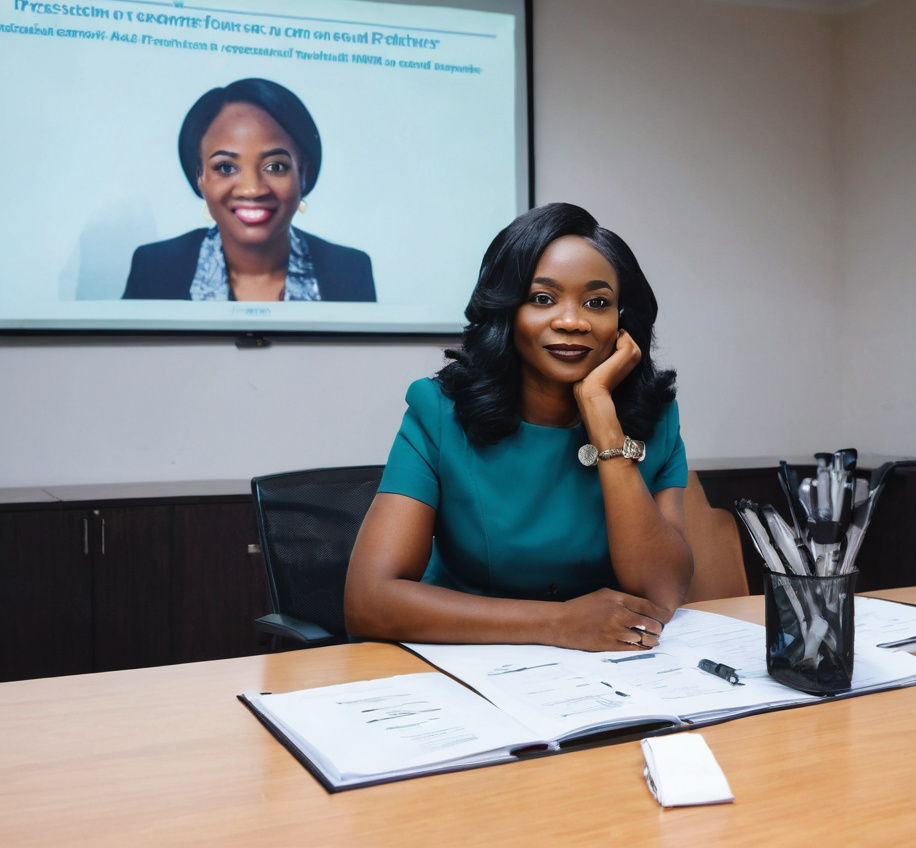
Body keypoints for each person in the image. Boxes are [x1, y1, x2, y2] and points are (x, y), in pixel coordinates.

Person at [345, 202, 693, 651]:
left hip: (605, 671)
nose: (572, 321)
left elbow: (662, 593)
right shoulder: (438, 411)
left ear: (622, 322)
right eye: (542, 299)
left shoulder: (655, 418)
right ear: (507, 311)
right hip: (467, 660)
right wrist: (559, 624)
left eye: (598, 302)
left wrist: (601, 416)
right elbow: (368, 600)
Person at [122, 78, 375, 301]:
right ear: (199, 177)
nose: (252, 189)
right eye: (225, 168)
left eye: (275, 167)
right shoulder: (154, 267)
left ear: (303, 174)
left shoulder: (349, 270)